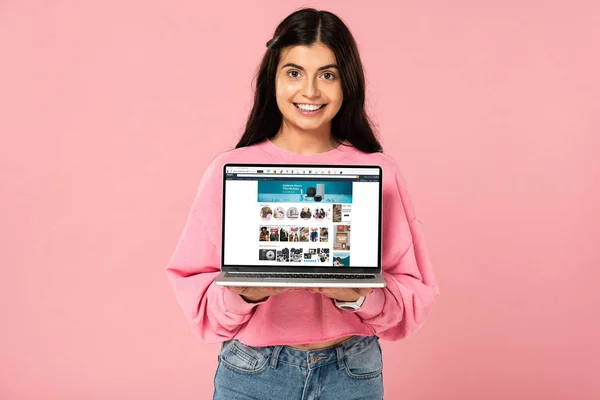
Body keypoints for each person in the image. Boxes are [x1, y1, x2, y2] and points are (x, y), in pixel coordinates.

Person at [165, 8, 439, 400]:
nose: (310, 92)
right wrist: (246, 294)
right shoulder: (230, 169)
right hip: (253, 371)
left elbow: (412, 294)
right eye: (294, 73)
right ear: (271, 79)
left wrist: (358, 296)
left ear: (347, 82)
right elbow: (198, 294)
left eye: (327, 74)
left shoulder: (378, 170)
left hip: (352, 371)